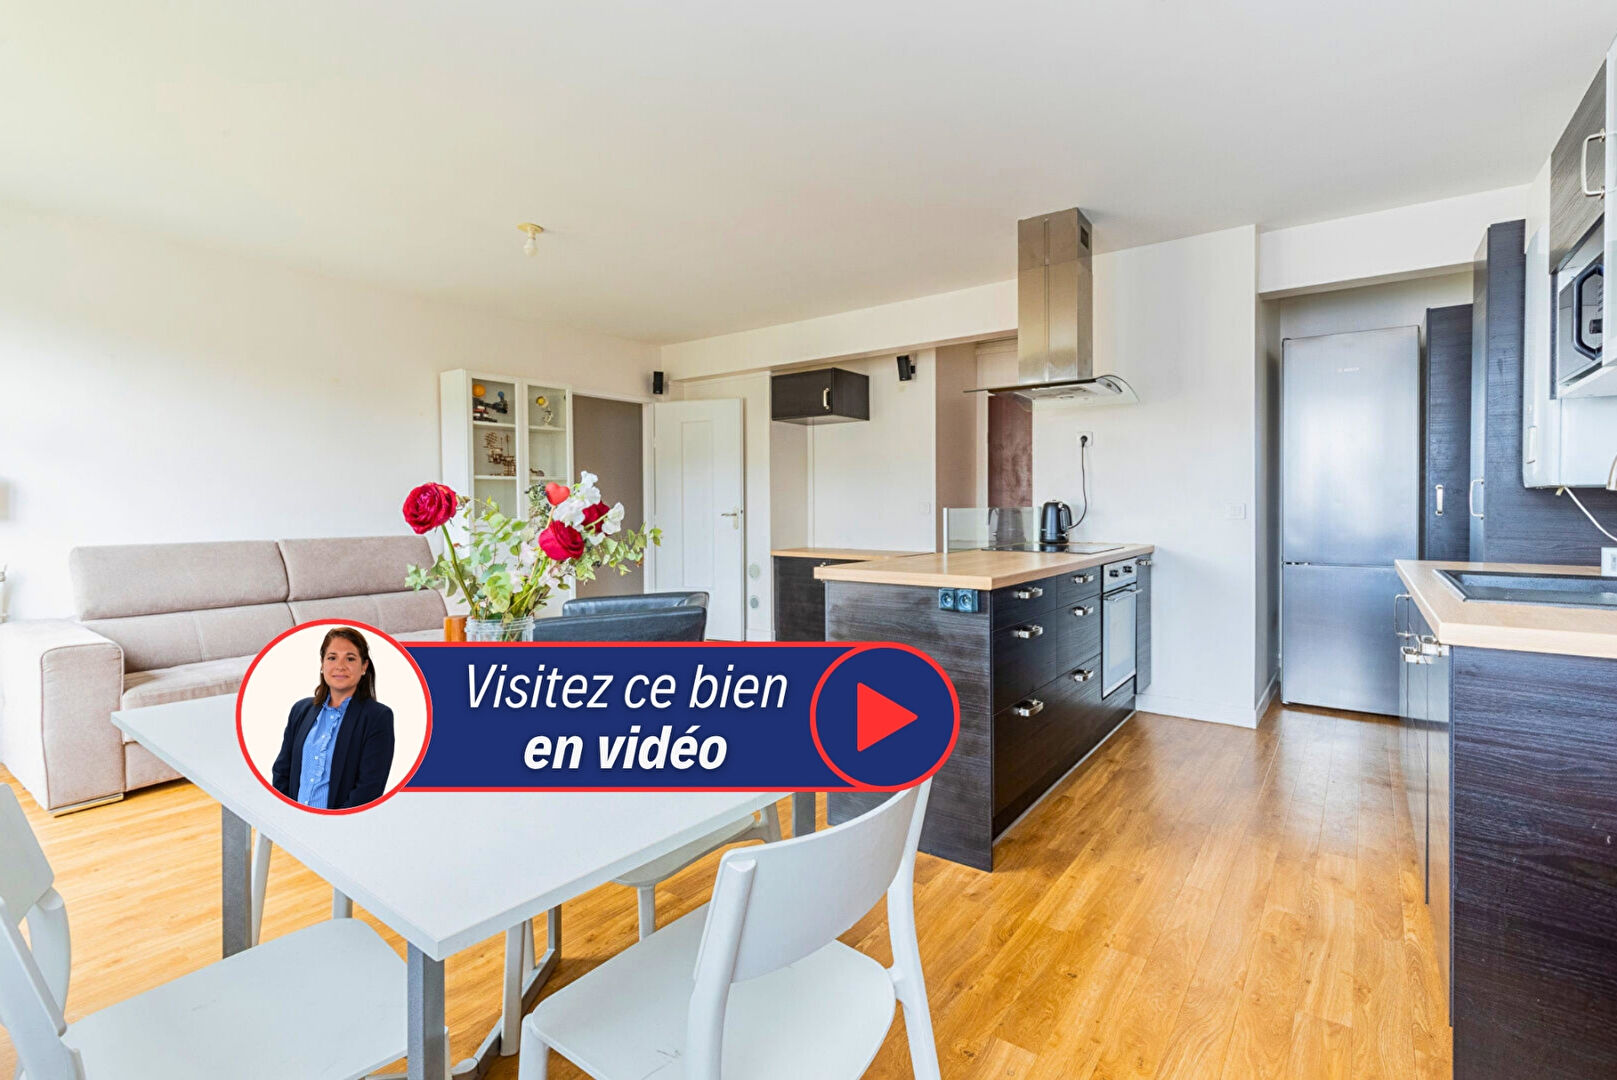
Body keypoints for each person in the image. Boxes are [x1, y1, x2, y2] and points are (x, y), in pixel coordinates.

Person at [271, 626, 395, 810]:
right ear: (322, 665)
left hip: (341, 824)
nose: (340, 666)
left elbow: (369, 788)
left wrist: (333, 822)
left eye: (350, 658)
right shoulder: (300, 710)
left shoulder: (377, 717)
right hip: (293, 819)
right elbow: (282, 771)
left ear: (364, 667)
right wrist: (288, 813)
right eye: (332, 658)